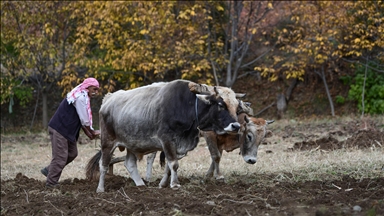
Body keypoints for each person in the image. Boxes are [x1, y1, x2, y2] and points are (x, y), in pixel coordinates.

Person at [41, 77, 101, 188]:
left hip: (67, 131)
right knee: (60, 157)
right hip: (60, 129)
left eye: (97, 90)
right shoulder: (80, 97)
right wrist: (92, 132)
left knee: (72, 153)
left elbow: (82, 120)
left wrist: (90, 134)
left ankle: (49, 170)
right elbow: (84, 120)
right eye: (94, 89)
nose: (96, 92)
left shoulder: (82, 95)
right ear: (88, 87)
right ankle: (51, 183)